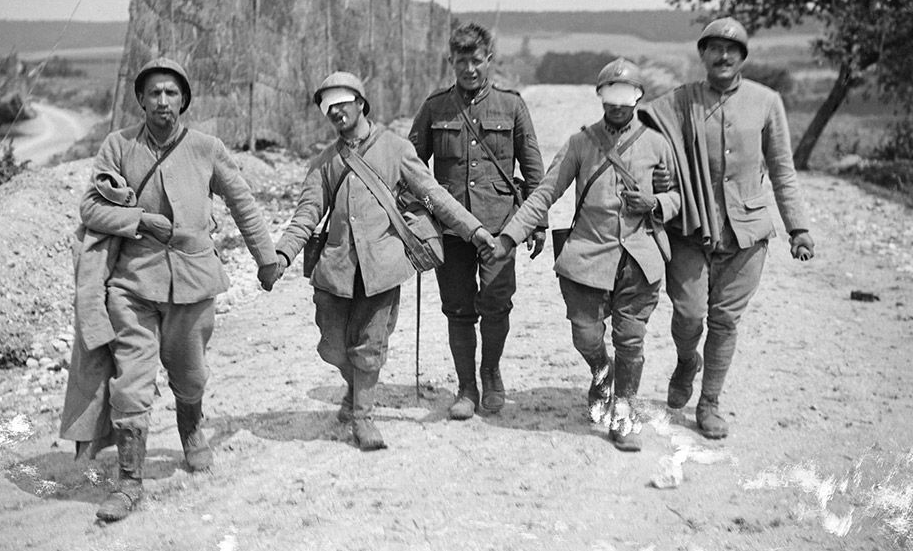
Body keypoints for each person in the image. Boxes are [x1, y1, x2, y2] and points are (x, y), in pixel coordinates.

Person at [76, 57, 281, 521]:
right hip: (132, 285)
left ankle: (191, 429)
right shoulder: (118, 146)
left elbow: (243, 201)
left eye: (171, 93)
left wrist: (265, 259)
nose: (162, 101)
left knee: (190, 375)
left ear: (184, 100)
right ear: (141, 100)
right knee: (131, 381)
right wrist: (137, 220)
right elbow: (91, 209)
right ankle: (129, 481)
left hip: (193, 283)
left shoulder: (206, 147)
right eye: (154, 93)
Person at [272, 72, 497, 451]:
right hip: (338, 268)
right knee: (332, 346)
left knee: (370, 345)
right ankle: (355, 386)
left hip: (382, 267)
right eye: (328, 105)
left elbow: (432, 195)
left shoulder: (395, 149)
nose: (335, 110)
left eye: (342, 100)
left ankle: (363, 418)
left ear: (361, 102)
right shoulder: (324, 162)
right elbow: (307, 214)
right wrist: (281, 254)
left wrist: (474, 231)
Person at [489, 58, 680, 451]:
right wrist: (510, 235)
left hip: (639, 258)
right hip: (588, 255)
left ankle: (623, 414)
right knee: (586, 336)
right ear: (600, 96)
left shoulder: (657, 144)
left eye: (626, 95)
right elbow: (545, 192)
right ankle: (601, 371)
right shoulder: (581, 143)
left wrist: (657, 202)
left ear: (638, 98)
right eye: (610, 94)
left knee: (631, 340)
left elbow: (677, 196)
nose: (618, 103)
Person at [639, 17, 815, 440]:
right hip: (689, 228)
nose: (723, 56)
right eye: (714, 48)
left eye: (732, 50)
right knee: (689, 314)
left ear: (742, 57)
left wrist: (799, 228)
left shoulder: (767, 102)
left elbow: (783, 171)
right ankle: (686, 361)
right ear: (702, 54)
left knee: (724, 322)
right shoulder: (679, 103)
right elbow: (653, 149)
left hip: (747, 234)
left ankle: (710, 402)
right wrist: (661, 179)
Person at [408, 23, 546, 420]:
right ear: (451, 62)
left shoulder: (512, 106)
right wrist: (412, 218)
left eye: (476, 60)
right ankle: (466, 385)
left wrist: (537, 224)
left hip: (500, 228)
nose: (469, 68)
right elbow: (411, 167)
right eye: (461, 61)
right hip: (450, 229)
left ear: (489, 60)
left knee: (497, 305)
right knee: (457, 309)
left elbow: (534, 170)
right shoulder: (435, 108)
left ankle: (491, 372)